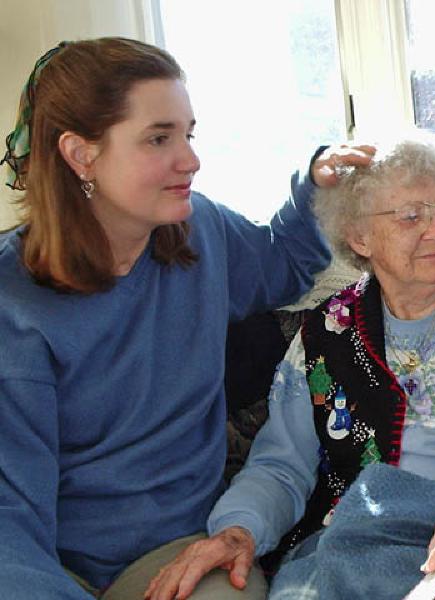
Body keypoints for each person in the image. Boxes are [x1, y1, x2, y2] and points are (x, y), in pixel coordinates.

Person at [0, 37, 374, 600]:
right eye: (158, 138)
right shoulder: (13, 306)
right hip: (40, 562)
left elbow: (284, 262)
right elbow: (9, 512)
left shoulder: (199, 230)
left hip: (178, 553)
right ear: (82, 155)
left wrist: (318, 184)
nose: (191, 160)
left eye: (188, 134)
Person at [145, 135, 435, 599]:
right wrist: (238, 530)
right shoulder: (323, 335)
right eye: (411, 215)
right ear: (359, 236)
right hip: (359, 532)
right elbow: (281, 466)